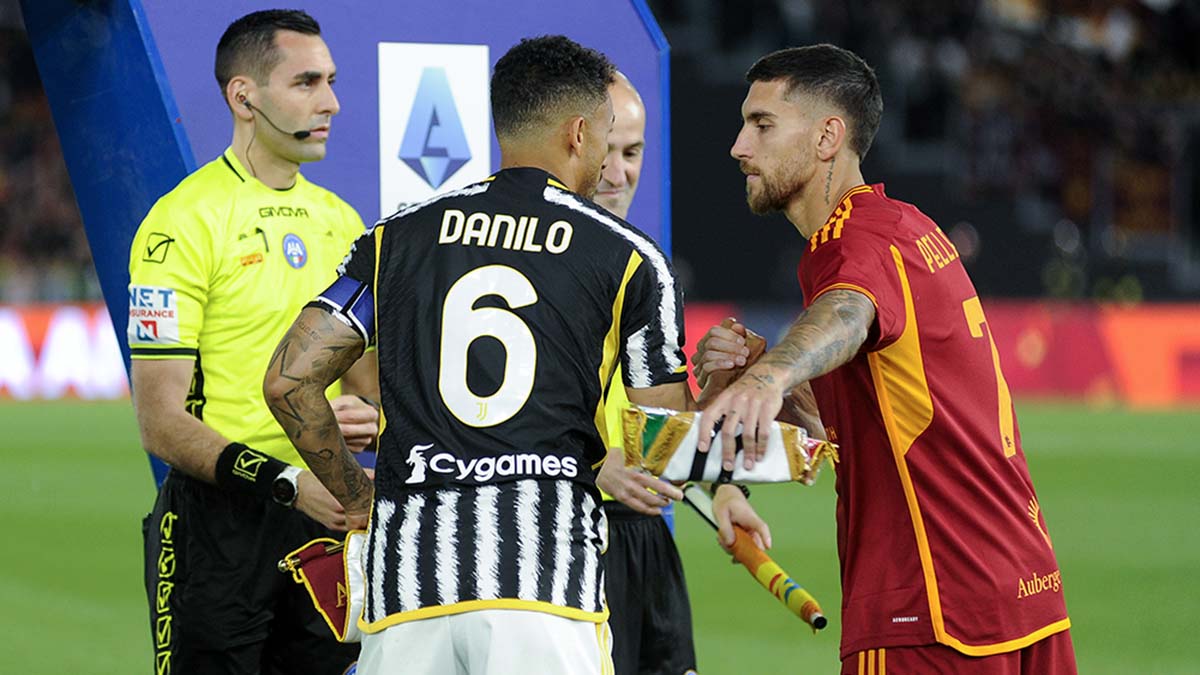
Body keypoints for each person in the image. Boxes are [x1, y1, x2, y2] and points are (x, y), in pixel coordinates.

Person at [262, 35, 766, 675]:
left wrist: (358, 497)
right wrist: (723, 388)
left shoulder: (394, 238)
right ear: (580, 133)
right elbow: (663, 446)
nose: (610, 168)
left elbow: (288, 381)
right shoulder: (631, 258)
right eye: (609, 142)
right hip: (543, 591)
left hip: (408, 587)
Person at [693, 44, 1076, 674]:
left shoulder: (855, 242)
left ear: (827, 138)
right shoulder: (903, 226)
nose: (738, 146)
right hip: (1023, 593)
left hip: (930, 607)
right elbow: (866, 421)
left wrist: (768, 376)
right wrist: (781, 384)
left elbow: (848, 310)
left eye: (761, 125)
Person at [128, 10, 379, 674]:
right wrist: (287, 481)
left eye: (330, 81)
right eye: (305, 82)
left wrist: (373, 417)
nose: (331, 101)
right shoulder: (180, 222)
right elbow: (159, 420)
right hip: (220, 524)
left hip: (324, 522)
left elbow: (371, 391)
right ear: (244, 96)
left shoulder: (341, 221)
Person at [593, 71, 698, 675]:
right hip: (565, 533)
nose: (619, 174)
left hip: (646, 536)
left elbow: (663, 420)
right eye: (606, 152)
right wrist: (596, 462)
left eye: (632, 153)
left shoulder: (646, 267)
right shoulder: (529, 264)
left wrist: (723, 482)